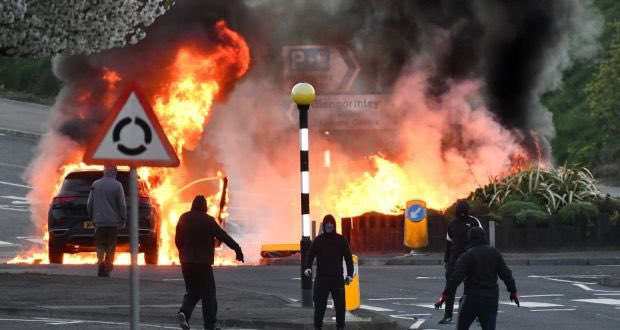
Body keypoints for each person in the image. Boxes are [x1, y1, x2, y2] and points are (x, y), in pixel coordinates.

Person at [175, 195, 244, 330]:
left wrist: (183, 254)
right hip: (202, 263)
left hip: (186, 263)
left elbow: (178, 240)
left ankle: (184, 312)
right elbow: (223, 236)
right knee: (209, 295)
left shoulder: (183, 218)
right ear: (204, 207)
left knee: (193, 292)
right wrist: (237, 249)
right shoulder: (208, 220)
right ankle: (209, 326)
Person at [434, 227, 519, 330]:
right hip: (490, 298)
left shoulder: (467, 256)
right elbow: (506, 274)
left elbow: (455, 279)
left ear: (469, 239)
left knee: (462, 326)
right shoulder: (494, 253)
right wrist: (513, 291)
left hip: (471, 297)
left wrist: (444, 297)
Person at [304, 214, 354, 330]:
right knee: (320, 306)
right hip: (322, 278)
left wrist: (350, 274)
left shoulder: (341, 240)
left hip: (337, 278)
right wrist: (307, 267)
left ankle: (340, 327)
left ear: (334, 225)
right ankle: (318, 327)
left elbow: (348, 258)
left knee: (340, 307)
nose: (329, 225)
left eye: (331, 223)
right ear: (324, 225)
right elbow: (310, 255)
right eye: (327, 223)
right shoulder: (318, 240)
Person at [438, 199, 482, 324]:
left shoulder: (474, 222)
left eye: (464, 210)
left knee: (473, 288)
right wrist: (447, 261)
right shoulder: (452, 223)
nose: (462, 213)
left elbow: (482, 240)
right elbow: (449, 243)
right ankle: (448, 315)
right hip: (455, 260)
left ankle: (478, 314)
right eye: (460, 210)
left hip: (470, 260)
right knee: (450, 288)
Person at [87, 165, 127, 277]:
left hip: (99, 221)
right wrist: (123, 219)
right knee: (110, 245)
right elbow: (122, 204)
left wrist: (92, 217)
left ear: (104, 171)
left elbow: (89, 203)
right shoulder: (118, 185)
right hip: (113, 222)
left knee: (99, 244)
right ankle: (108, 267)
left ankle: (101, 263)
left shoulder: (95, 184)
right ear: (114, 172)